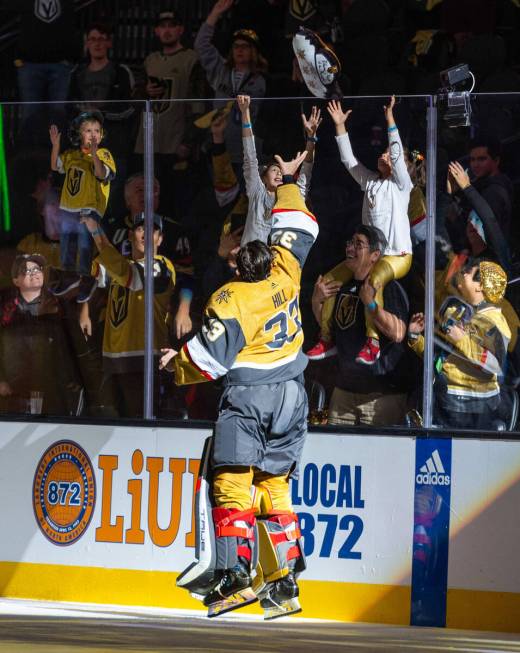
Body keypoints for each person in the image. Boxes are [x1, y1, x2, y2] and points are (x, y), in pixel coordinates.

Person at [159, 152, 316, 617]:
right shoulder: (287, 273)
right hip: (294, 394)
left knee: (231, 485)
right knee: (275, 487)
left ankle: (234, 574)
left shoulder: (232, 297)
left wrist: (176, 363)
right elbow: (300, 224)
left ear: (236, 267)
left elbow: (210, 359)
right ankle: (284, 582)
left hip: (251, 399)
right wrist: (287, 182)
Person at [307, 96, 413, 365]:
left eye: (390, 154)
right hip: (370, 255)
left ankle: (373, 342)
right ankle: (327, 338)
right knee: (328, 281)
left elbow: (398, 155)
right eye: (384, 152)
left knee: (371, 283)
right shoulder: (371, 183)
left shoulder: (401, 186)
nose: (385, 155)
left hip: (396, 256)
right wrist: (340, 127)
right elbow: (349, 161)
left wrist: (390, 120)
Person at [312, 226, 411, 427]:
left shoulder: (389, 287)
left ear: (375, 255)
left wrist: (371, 305)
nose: (350, 248)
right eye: (350, 243)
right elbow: (332, 328)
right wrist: (316, 301)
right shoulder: (343, 286)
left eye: (359, 244)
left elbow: (399, 333)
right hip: (344, 393)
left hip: (381, 398)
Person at [80, 213, 175, 418]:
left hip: (145, 362)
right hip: (112, 363)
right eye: (141, 229)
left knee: (139, 431)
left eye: (153, 230)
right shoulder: (118, 265)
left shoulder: (162, 266)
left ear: (160, 239)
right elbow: (89, 279)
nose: (146, 235)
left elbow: (129, 276)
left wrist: (97, 232)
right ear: (131, 235)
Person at [408, 258, 510, 430]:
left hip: (477, 407)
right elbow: (441, 357)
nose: (463, 272)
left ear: (481, 286)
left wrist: (461, 339)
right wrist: (415, 337)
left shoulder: (495, 321)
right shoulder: (455, 310)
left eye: (469, 272)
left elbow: (494, 364)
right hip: (445, 400)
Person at [102, 172, 194, 342]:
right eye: (139, 190)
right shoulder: (111, 230)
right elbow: (99, 275)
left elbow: (186, 276)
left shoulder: (174, 231)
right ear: (127, 200)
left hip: (158, 313)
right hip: (118, 311)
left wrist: (183, 308)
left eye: (153, 190)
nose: (146, 194)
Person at [134, 9, 205, 217]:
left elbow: (198, 103)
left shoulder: (192, 59)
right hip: (147, 143)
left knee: (176, 202)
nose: (167, 30)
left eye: (172, 25)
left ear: (180, 30)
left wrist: (189, 141)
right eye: (163, 26)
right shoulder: (149, 60)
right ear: (156, 30)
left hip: (176, 144)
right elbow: (134, 97)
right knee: (148, 202)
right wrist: (144, 91)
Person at [68, 22, 136, 217]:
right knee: (84, 203)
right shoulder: (77, 73)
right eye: (92, 39)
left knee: (111, 201)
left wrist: (100, 114)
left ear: (109, 43)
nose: (97, 44)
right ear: (86, 44)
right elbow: (68, 105)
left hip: (114, 148)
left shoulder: (120, 71)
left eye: (101, 39)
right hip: (84, 150)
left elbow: (130, 109)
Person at [0, 254, 81, 415]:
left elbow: (68, 347)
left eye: (37, 269)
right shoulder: (6, 310)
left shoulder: (60, 305)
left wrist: (70, 379)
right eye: (25, 271)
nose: (33, 273)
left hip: (52, 386)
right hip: (15, 388)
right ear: (16, 281)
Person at [49, 111, 116, 299]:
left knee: (85, 245)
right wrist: (55, 146)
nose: (93, 134)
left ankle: (87, 278)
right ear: (79, 134)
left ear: (102, 135)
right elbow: (55, 166)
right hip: (68, 208)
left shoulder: (104, 154)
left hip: (89, 208)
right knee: (66, 244)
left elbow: (102, 174)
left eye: (97, 130)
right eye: (88, 130)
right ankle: (69, 275)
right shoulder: (72, 154)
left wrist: (94, 155)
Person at [237, 94, 319, 245]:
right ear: (263, 177)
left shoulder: (293, 199)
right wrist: (245, 112)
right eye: (275, 169)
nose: (280, 172)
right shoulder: (256, 191)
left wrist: (311, 138)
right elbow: (249, 156)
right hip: (248, 265)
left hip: (277, 267)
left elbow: (306, 170)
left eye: (282, 170)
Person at [194, 0, 267, 165]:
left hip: (249, 151)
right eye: (236, 46)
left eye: (245, 46)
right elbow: (201, 46)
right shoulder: (221, 70)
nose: (239, 50)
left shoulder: (261, 80)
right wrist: (215, 13)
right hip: (220, 144)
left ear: (254, 51)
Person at [5, 0, 80, 148]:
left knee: (58, 113)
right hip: (29, 63)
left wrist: (70, 57)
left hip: (60, 62)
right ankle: (29, 156)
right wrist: (18, 58)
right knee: (30, 113)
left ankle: (58, 158)